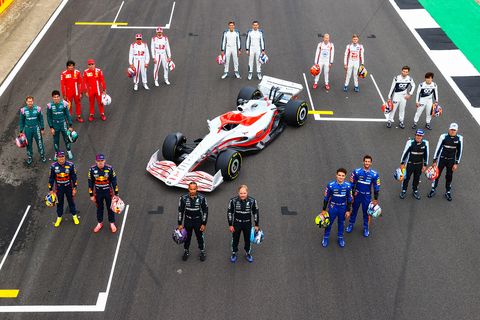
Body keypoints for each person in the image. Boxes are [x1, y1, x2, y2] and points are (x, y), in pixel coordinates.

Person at [428, 123, 463, 201]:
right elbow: (438, 148)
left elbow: (459, 152)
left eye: (454, 130)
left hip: (451, 160)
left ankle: (448, 191)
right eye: (451, 129)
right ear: (449, 129)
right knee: (436, 175)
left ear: (457, 130)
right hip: (442, 159)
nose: (452, 131)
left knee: (449, 176)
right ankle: (433, 189)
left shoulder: (459, 138)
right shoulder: (443, 136)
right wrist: (434, 160)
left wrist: (456, 163)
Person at [347, 156, 380, 237]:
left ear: (371, 163)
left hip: (367, 196)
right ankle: (351, 224)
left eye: (369, 161)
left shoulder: (374, 174)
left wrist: (375, 199)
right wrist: (351, 195)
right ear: (363, 162)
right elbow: (351, 185)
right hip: (357, 195)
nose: (367, 163)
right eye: (366, 161)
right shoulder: (356, 172)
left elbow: (376, 187)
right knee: (354, 210)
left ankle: (366, 228)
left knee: (367, 213)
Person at [88, 154, 119, 233]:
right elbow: (90, 183)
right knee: (99, 208)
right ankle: (99, 223)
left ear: (104, 161)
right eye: (98, 161)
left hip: (108, 192)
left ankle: (112, 223)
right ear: (96, 161)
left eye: (102, 161)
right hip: (98, 193)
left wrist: (116, 194)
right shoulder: (92, 169)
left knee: (110, 208)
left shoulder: (109, 169)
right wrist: (91, 195)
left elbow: (114, 181)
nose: (100, 162)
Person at [227, 185, 259, 263]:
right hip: (236, 223)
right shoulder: (233, 201)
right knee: (235, 239)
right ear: (238, 192)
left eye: (244, 193)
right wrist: (230, 224)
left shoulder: (252, 201)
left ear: (247, 192)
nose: (242, 195)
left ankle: (248, 253)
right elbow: (229, 212)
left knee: (248, 239)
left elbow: (256, 213)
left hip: (247, 224)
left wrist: (256, 224)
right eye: (241, 193)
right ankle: (234, 253)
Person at [321, 168, 352, 247]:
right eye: (339, 175)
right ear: (336, 175)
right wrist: (324, 209)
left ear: (345, 176)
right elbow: (326, 198)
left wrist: (348, 210)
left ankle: (340, 238)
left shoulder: (348, 186)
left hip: (342, 207)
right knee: (328, 223)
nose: (341, 177)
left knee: (341, 223)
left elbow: (349, 199)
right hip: (333, 207)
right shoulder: (330, 185)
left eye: (343, 176)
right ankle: (325, 237)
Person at [177, 182, 208, 262]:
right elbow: (180, 211)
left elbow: (205, 211)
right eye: (191, 189)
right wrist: (180, 223)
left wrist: (204, 223)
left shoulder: (202, 198)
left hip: (198, 221)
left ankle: (202, 252)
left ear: (197, 188)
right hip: (188, 221)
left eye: (194, 189)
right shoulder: (183, 198)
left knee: (200, 237)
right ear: (188, 188)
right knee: (186, 237)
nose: (193, 191)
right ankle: (186, 251)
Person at [48, 151, 79, 227]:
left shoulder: (70, 165)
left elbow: (74, 177)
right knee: (59, 203)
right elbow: (51, 178)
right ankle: (59, 217)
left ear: (64, 157)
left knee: (71, 202)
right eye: (59, 157)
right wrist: (50, 190)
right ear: (57, 158)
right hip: (59, 188)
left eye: (62, 156)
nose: (61, 158)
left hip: (69, 187)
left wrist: (74, 188)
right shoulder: (53, 166)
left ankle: (74, 216)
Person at [399, 129, 429, 199]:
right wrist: (402, 163)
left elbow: (426, 154)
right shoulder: (410, 142)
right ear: (415, 135)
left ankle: (415, 190)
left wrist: (425, 165)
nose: (418, 137)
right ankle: (404, 190)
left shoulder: (425, 143)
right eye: (417, 135)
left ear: (422, 136)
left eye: (420, 135)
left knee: (417, 178)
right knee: (406, 178)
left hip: (419, 164)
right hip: (410, 164)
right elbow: (405, 153)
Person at [47, 90, 74, 160]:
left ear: (59, 97)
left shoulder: (64, 104)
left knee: (66, 138)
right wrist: (51, 127)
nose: (56, 98)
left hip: (63, 124)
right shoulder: (49, 106)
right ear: (52, 98)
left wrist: (70, 126)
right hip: (55, 124)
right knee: (56, 140)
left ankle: (69, 151)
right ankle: (56, 153)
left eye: (57, 97)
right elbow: (49, 117)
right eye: (54, 97)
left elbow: (68, 115)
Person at [19, 96, 46, 165]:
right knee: (28, 144)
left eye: (31, 101)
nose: (30, 103)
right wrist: (21, 131)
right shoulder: (23, 110)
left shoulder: (38, 109)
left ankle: (42, 155)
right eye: (28, 101)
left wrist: (42, 128)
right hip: (27, 129)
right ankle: (30, 157)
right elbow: (21, 121)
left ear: (33, 101)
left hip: (36, 128)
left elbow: (41, 119)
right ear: (26, 102)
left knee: (39, 142)